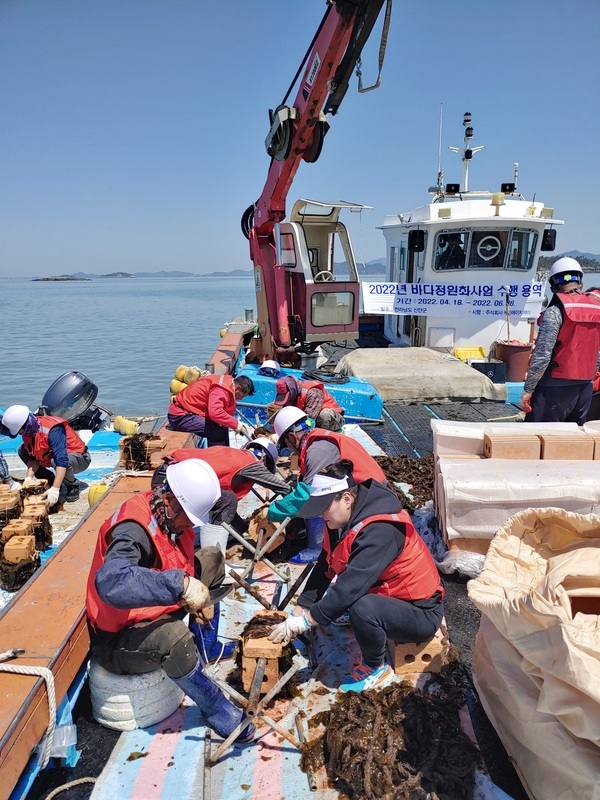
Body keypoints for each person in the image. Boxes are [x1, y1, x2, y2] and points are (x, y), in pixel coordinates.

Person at [86, 458, 254, 742]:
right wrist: (180, 585)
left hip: (153, 608)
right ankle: (215, 709)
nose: (191, 525)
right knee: (175, 638)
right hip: (117, 639)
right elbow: (111, 581)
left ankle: (207, 645)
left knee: (212, 558)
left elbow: (185, 558)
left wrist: (199, 593)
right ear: (169, 499)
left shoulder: (167, 514)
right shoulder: (133, 530)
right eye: (188, 517)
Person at [268, 460, 445, 693]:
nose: (321, 515)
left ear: (347, 499)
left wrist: (306, 622)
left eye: (324, 507)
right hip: (392, 599)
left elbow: (350, 586)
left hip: (420, 612)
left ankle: (376, 667)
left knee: (362, 607)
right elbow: (325, 565)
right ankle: (370, 629)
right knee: (342, 602)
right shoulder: (339, 521)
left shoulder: (380, 531)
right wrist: (301, 609)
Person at [268, 407, 387, 563]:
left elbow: (307, 495)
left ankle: (316, 550)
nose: (290, 450)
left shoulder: (317, 450)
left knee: (317, 500)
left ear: (292, 437)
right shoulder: (316, 438)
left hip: (370, 495)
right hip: (366, 487)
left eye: (287, 445)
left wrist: (275, 511)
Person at [151, 437, 291, 533]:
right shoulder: (253, 464)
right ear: (266, 462)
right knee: (229, 499)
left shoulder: (233, 454)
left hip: (164, 476)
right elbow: (282, 488)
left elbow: (221, 502)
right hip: (174, 485)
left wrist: (242, 527)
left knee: (226, 499)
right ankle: (213, 550)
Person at [521, 257, 600, 423]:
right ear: (580, 283)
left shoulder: (554, 312)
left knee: (539, 439)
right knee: (571, 443)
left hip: (554, 391)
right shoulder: (596, 309)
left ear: (553, 286)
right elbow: (597, 354)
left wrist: (528, 390)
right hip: (584, 389)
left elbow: (542, 355)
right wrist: (588, 380)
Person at [1, 404, 91, 505]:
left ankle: (72, 485)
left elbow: (62, 460)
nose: (21, 434)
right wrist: (28, 479)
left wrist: (55, 490)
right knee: (22, 450)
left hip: (79, 458)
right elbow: (32, 458)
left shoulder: (53, 429)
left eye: (21, 431)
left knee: (56, 461)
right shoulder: (28, 433)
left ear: (27, 425)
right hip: (51, 456)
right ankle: (51, 480)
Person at [167, 374, 255, 446]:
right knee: (216, 431)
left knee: (223, 426)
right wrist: (237, 425)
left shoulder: (227, 382)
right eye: (240, 396)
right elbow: (215, 413)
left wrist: (232, 424)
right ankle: (216, 460)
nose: (239, 399)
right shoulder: (220, 391)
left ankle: (226, 455)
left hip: (191, 411)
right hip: (180, 416)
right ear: (238, 388)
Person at [272, 375, 344, 432]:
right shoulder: (292, 397)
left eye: (287, 398)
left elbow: (310, 421)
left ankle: (325, 436)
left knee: (324, 416)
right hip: (311, 418)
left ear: (293, 392)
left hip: (332, 419)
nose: (286, 402)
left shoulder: (312, 393)